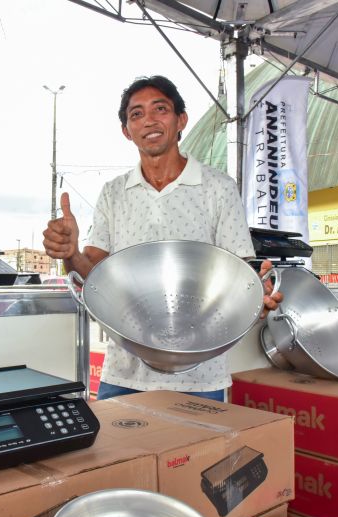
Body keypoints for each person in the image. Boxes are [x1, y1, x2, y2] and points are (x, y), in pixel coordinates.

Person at [43, 75, 281, 401]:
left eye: (160, 109)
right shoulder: (114, 193)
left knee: (204, 454)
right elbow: (94, 273)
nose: (149, 120)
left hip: (202, 374)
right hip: (124, 370)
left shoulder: (217, 187)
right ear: (127, 131)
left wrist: (257, 294)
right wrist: (70, 253)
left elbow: (239, 272)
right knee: (118, 453)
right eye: (136, 114)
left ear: (181, 119)